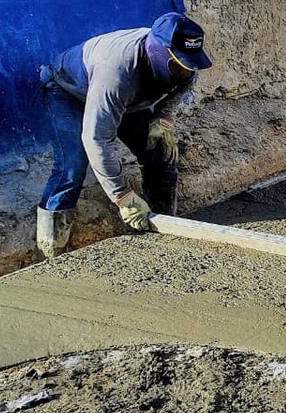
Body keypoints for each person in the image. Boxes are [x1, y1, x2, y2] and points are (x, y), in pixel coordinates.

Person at [36, 12, 213, 258]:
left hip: (126, 99)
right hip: (69, 92)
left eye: (190, 65)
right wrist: (123, 197)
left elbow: (183, 85)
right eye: (180, 65)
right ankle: (51, 249)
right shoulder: (117, 72)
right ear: (159, 53)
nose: (187, 72)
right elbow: (97, 139)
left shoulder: (182, 60)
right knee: (72, 167)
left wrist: (163, 118)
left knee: (158, 153)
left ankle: (160, 231)